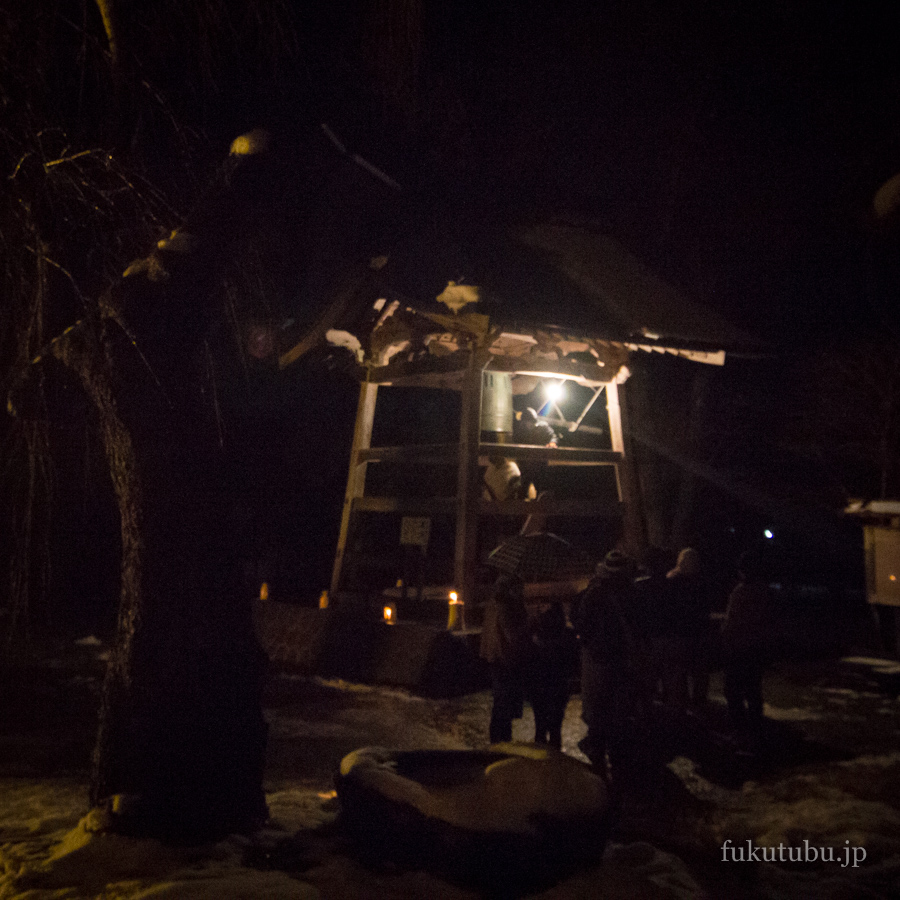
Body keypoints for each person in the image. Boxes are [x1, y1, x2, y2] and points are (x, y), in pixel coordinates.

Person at [570, 549, 643, 778]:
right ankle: (620, 757)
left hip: (597, 658)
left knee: (598, 706)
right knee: (621, 709)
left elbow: (580, 622)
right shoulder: (633, 592)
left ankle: (598, 754)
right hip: (624, 658)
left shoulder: (594, 593)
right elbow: (642, 624)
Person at [721, 550, 773, 744]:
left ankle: (740, 730)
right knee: (753, 690)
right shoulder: (765, 591)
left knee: (732, 690)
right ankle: (756, 727)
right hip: (757, 647)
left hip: (739, 647)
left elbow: (732, 622)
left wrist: (724, 638)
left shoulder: (741, 592)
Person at [479, 575, 531, 743]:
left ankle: (498, 741)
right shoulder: (506, 607)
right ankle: (501, 742)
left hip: (495, 657)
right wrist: (532, 622)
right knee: (504, 706)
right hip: (505, 659)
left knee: (500, 704)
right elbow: (512, 635)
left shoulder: (493, 604)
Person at [664, 547, 714, 711]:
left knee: (690, 670)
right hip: (686, 631)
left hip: (689, 632)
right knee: (688, 670)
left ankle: (692, 702)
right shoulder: (682, 580)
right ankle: (692, 702)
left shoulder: (680, 579)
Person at [526, 601, 578, 748]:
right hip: (558, 684)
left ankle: (541, 761)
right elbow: (572, 660)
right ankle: (555, 762)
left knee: (541, 727)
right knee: (555, 728)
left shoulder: (537, 635)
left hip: (540, 684)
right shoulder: (566, 635)